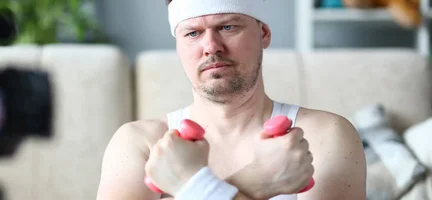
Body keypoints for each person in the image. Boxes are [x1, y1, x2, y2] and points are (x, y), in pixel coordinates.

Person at [96, 0, 367, 199]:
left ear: (263, 34)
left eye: (227, 27)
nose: (211, 46)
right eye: (193, 33)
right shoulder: (140, 144)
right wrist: (256, 180)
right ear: (178, 46)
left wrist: (189, 184)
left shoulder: (322, 136)